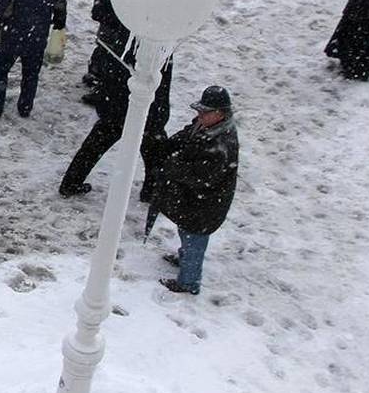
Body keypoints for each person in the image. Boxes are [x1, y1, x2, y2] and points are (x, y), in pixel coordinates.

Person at [151, 87, 241, 296]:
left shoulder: (221, 145)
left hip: (205, 206)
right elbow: (185, 138)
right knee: (187, 232)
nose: (199, 115)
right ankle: (184, 258)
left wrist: (172, 165)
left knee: (194, 238)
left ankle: (188, 282)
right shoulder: (206, 127)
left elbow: (200, 177)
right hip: (195, 203)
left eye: (205, 112)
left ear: (220, 114)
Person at [59, 50, 173, 198]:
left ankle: (71, 183)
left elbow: (110, 73)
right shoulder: (162, 47)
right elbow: (162, 88)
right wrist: (160, 117)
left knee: (93, 148)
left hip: (116, 107)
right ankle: (151, 191)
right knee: (155, 156)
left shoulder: (128, 41)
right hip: (146, 114)